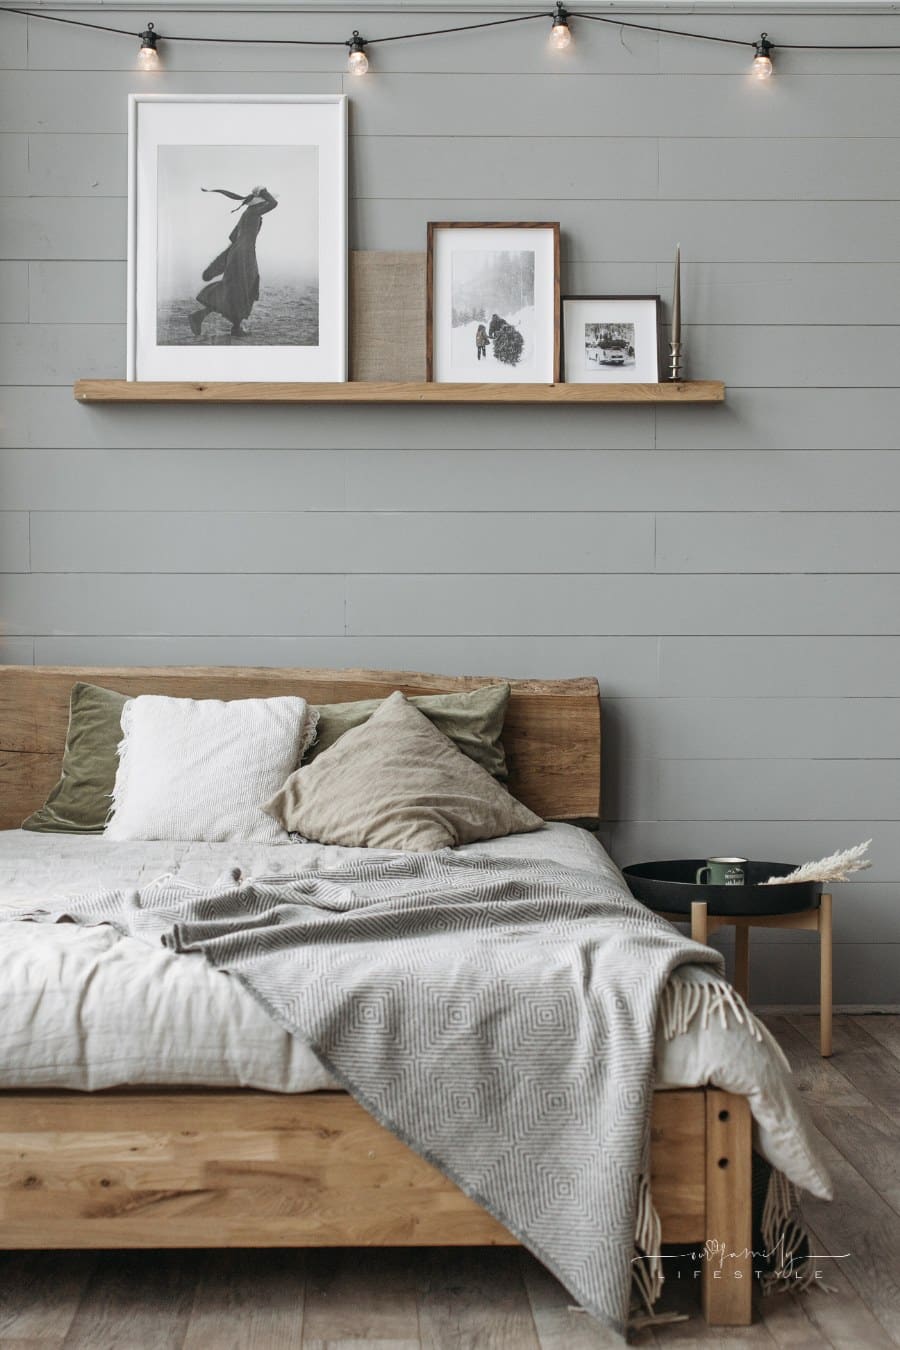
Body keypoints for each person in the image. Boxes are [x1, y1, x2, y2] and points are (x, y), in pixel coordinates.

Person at [189, 185, 277, 339]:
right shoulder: (254, 212)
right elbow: (274, 203)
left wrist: (241, 242)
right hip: (245, 254)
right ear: (260, 203)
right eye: (264, 201)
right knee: (243, 289)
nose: (265, 205)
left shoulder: (247, 213)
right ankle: (201, 317)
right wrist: (264, 191)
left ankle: (233, 327)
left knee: (237, 289)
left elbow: (232, 237)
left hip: (239, 253)